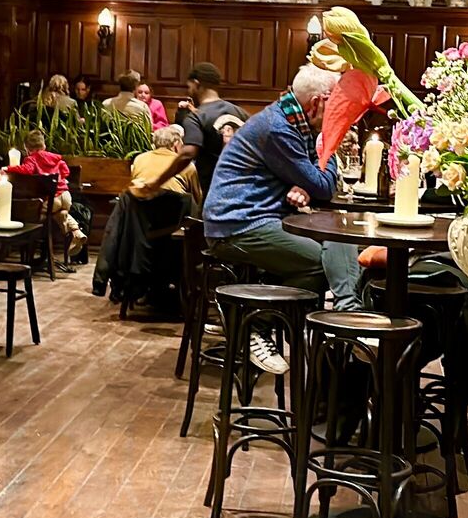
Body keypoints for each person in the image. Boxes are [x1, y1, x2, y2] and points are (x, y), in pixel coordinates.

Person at [203, 65, 363, 374]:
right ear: (317, 102)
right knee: (321, 263)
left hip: (262, 217)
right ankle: (254, 325)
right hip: (237, 225)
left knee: (338, 235)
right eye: (335, 103)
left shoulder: (293, 122)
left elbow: (312, 178)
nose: (338, 111)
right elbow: (323, 186)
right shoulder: (279, 128)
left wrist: (305, 182)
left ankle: (345, 316)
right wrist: (329, 145)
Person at [146, 62, 244, 197]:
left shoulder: (196, 117)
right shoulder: (241, 113)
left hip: (214, 191)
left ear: (196, 84)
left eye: (189, 86)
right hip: (243, 190)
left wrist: (157, 182)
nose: (189, 91)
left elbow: (188, 153)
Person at [4, 130, 86, 257]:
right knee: (59, 214)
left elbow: (27, 170)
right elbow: (66, 171)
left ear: (27, 148)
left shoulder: (31, 159)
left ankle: (35, 247)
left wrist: (8, 168)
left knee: (38, 215)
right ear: (44, 145)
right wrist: (60, 178)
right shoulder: (55, 158)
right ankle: (76, 231)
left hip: (53, 198)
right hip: (66, 196)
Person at [130, 124, 199, 204]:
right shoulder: (185, 165)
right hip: (174, 207)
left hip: (142, 205)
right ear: (176, 145)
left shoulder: (139, 159)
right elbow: (197, 197)